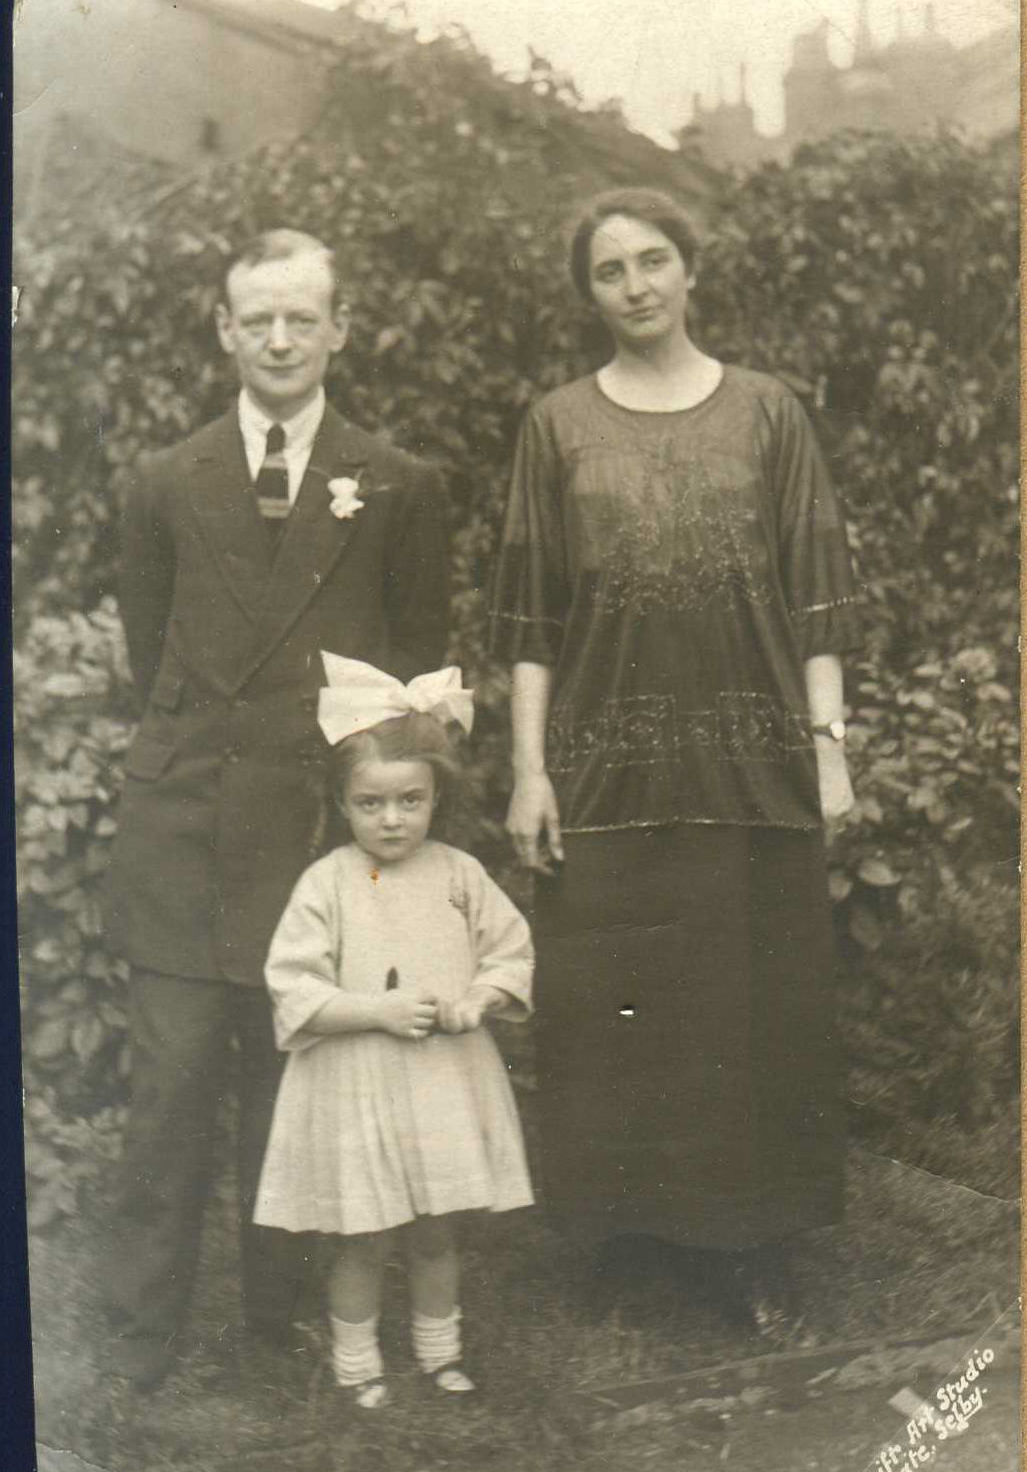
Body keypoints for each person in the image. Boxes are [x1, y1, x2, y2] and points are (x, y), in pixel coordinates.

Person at [489, 188, 861, 1327]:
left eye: (653, 260)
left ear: (690, 270)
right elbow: (528, 620)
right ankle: (630, 1246)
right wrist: (530, 769)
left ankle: (754, 1250)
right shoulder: (556, 426)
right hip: (606, 770)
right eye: (610, 270)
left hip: (753, 761)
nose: (636, 285)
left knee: (754, 1008)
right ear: (588, 293)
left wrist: (828, 749)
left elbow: (818, 599)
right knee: (618, 1008)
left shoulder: (768, 413)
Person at [103, 230, 451, 1388]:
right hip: (186, 822)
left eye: (303, 317)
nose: (281, 339)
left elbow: (409, 674)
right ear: (225, 330)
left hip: (310, 827)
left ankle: (275, 1322)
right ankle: (138, 1336)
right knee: (170, 1084)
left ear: (340, 329)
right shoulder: (164, 480)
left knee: (289, 1075)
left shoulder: (396, 483)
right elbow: (152, 649)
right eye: (258, 319)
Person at [253, 655, 534, 1407]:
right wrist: (374, 1010)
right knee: (362, 1234)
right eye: (370, 803)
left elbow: (510, 949)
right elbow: (292, 983)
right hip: (357, 1086)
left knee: (437, 1227)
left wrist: (479, 997)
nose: (392, 819)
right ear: (343, 803)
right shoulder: (328, 883)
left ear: (436, 797)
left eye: (410, 801)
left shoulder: (459, 874)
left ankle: (440, 1354)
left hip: (440, 1082)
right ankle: (357, 1366)